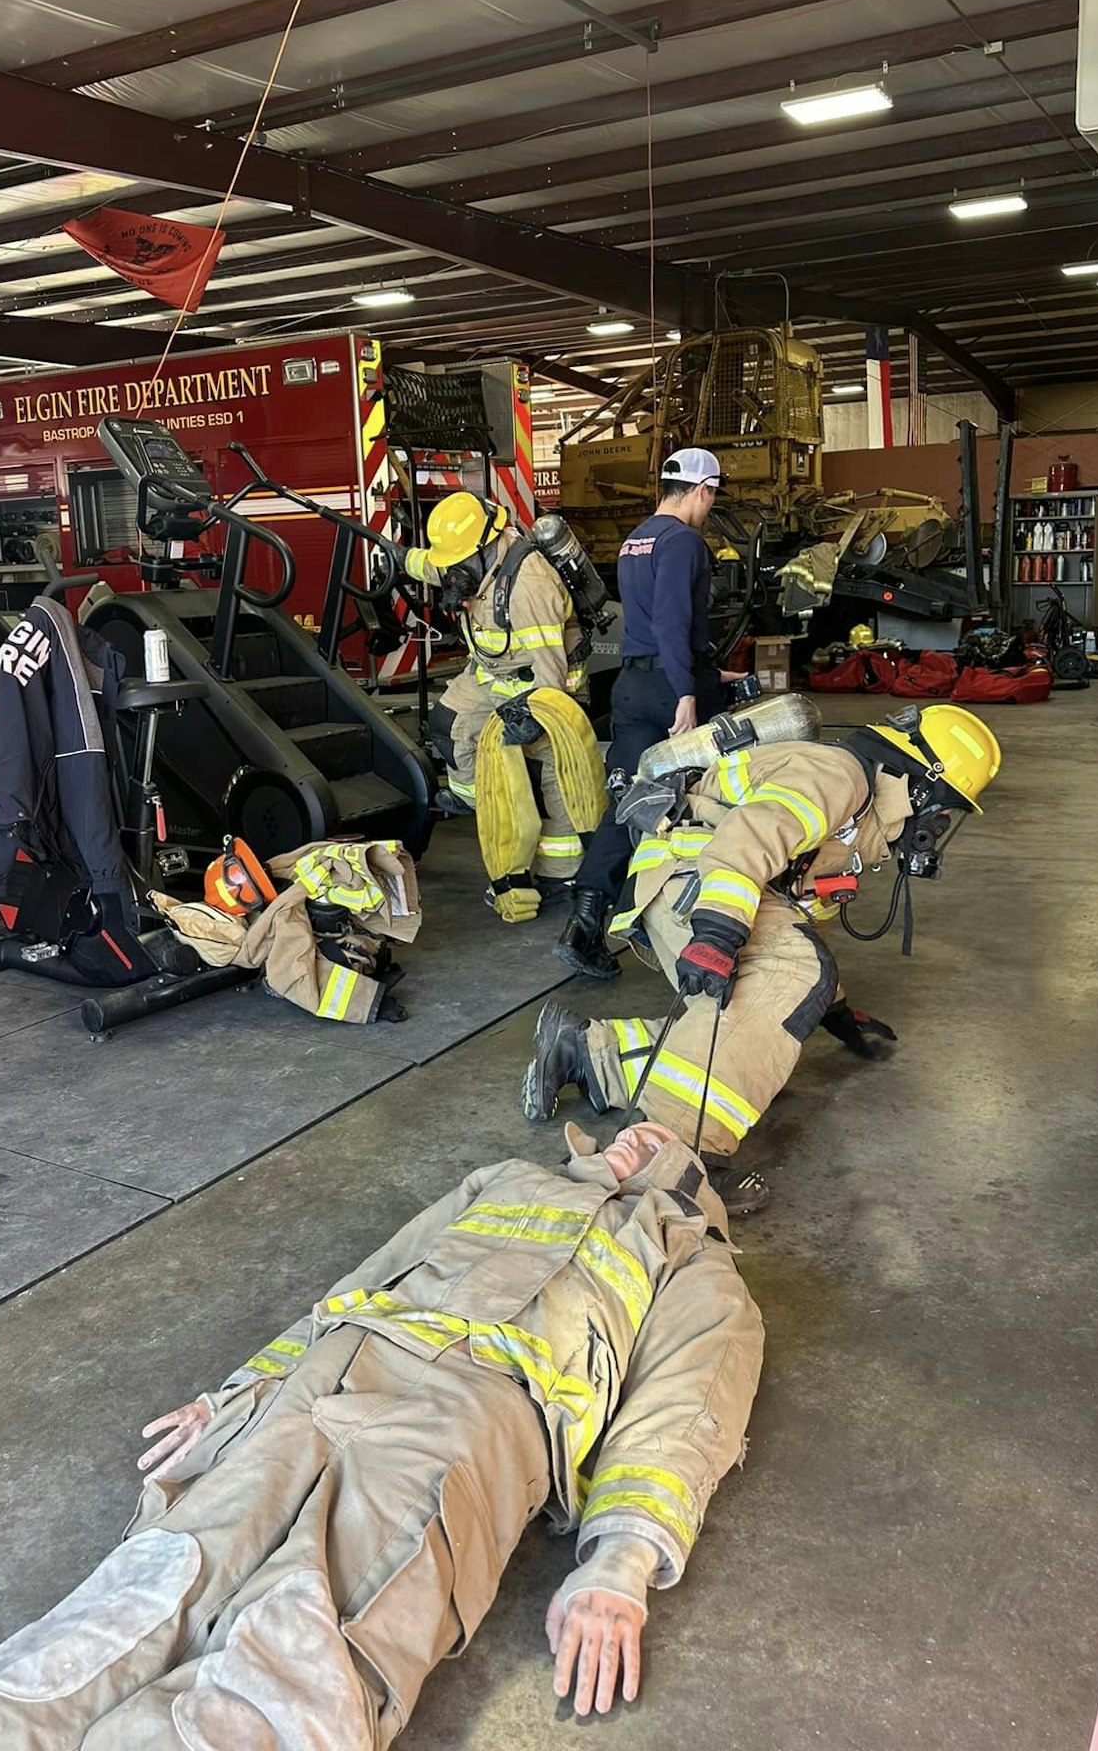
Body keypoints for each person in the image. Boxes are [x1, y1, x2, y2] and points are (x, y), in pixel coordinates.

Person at [0, 1122, 763, 1751]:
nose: (627, 1136)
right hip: (332, 1369)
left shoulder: (690, 1259)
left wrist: (621, 1566)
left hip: (472, 1418)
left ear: (686, 1176)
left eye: (652, 1138)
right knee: (155, 1580)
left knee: (306, 1644)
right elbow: (363, 1279)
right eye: (624, 1130)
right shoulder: (507, 1180)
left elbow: (682, 1414)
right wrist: (236, 1395)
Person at [526, 703, 1002, 1214]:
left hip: (694, 880)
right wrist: (718, 931)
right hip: (698, 881)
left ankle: (590, 1051)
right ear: (922, 785)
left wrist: (833, 1009)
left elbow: (800, 923)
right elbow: (749, 838)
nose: (940, 825)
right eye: (946, 809)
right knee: (785, 983)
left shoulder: (861, 818)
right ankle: (667, 1154)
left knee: (767, 1036)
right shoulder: (838, 774)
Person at [558, 446, 749, 981]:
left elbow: (649, 626)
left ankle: (584, 925)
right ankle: (676, 921)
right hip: (671, 691)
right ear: (702, 491)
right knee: (697, 801)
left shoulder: (635, 539)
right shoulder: (684, 541)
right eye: (711, 497)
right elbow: (671, 620)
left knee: (629, 801)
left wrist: (707, 675)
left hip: (633, 685)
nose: (710, 507)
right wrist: (688, 690)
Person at [405, 491, 599, 920]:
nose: (452, 574)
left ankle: (561, 875)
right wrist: (398, 558)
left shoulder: (529, 584)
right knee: (449, 725)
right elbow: (429, 564)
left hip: (544, 685)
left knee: (551, 774)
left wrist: (539, 718)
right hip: (494, 674)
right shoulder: (468, 561)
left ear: (486, 547)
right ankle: (490, 807)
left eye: (458, 564)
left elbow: (551, 666)